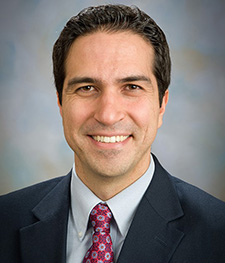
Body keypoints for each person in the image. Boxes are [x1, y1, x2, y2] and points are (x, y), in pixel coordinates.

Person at [1, 4, 225, 263]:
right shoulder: (4, 219)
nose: (108, 115)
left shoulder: (217, 236)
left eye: (131, 86)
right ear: (61, 104)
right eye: (86, 88)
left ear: (161, 104)